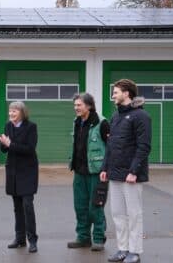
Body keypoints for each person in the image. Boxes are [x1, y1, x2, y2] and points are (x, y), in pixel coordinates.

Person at [100, 79, 151, 263]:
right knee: (118, 214)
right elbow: (111, 145)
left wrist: (134, 171)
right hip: (115, 173)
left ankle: (135, 251)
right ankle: (123, 248)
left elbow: (144, 147)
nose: (113, 95)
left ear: (127, 93)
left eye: (116, 92)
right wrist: (105, 168)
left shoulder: (141, 117)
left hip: (131, 175)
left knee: (134, 214)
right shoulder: (115, 117)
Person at [67, 93, 110, 251]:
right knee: (80, 206)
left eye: (79, 105)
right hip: (79, 172)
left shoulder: (102, 122)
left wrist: (106, 168)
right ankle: (83, 237)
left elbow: (111, 147)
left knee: (95, 207)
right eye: (75, 105)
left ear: (89, 106)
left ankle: (98, 238)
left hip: (97, 172)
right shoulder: (76, 122)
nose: (76, 108)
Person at [0, 101, 39, 253]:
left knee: (27, 206)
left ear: (22, 112)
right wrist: (4, 144)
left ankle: (33, 240)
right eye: (10, 111)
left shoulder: (31, 127)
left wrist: (10, 145)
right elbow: (4, 150)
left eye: (14, 111)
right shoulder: (8, 126)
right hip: (13, 172)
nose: (11, 114)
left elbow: (30, 149)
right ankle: (20, 238)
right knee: (17, 207)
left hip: (27, 172)